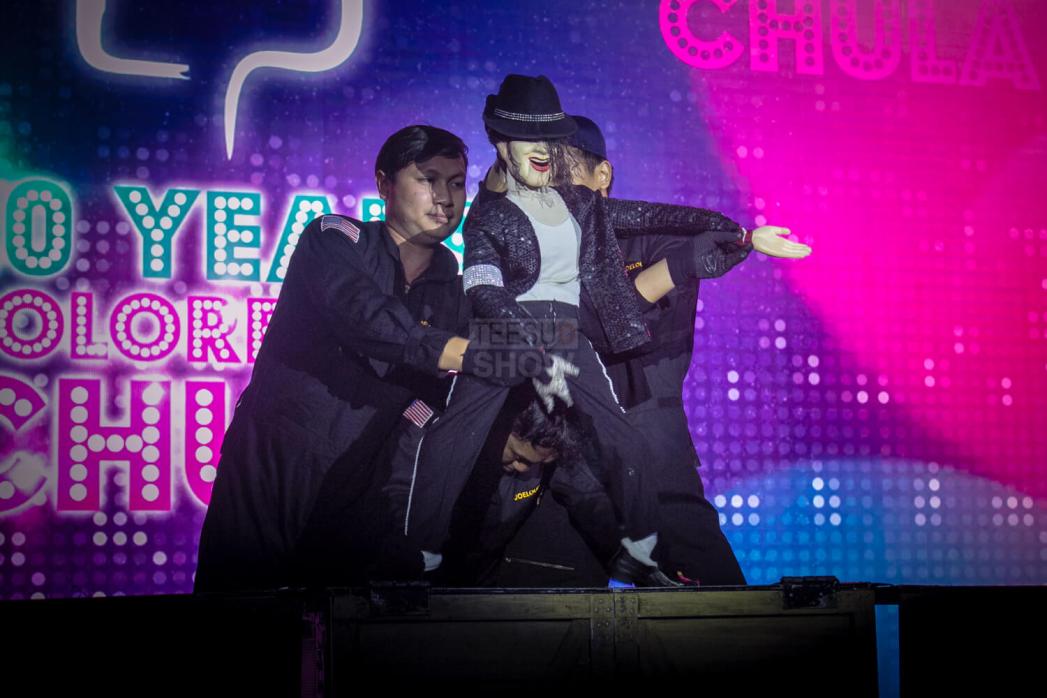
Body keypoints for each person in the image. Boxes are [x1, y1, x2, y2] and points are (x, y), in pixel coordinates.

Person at [403, 74, 802, 586]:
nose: (550, 175)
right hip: (549, 431)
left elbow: (622, 316)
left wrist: (737, 238)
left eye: (561, 162)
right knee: (547, 578)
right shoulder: (527, 227)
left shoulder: (648, 239)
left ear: (602, 174)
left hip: (639, 420)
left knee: (696, 566)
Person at [194, 125, 513, 592]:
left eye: (456, 183)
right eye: (427, 179)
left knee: (340, 629)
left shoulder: (461, 293)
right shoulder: (334, 239)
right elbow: (364, 317)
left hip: (364, 493)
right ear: (384, 184)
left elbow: (444, 401)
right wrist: (467, 353)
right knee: (240, 617)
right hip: (273, 468)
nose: (444, 197)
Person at [500, 116, 801, 586]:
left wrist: (700, 256)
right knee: (545, 595)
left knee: (712, 597)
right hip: (561, 448)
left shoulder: (661, 239)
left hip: (649, 438)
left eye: (563, 169)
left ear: (602, 175)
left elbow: (624, 328)